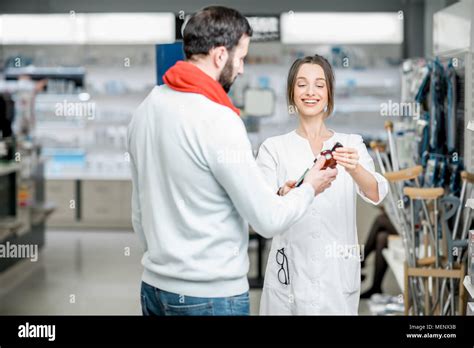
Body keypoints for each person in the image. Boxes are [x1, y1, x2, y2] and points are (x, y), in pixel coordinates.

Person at [127, 7, 337, 316]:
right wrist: (310, 189)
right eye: (240, 58)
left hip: (155, 289)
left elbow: (138, 212)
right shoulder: (219, 119)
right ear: (220, 55)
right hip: (211, 296)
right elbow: (266, 221)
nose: (241, 69)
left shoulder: (146, 108)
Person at [256, 55, 389, 315]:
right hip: (289, 277)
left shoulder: (350, 143)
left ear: (329, 92)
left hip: (336, 278)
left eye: (319, 84)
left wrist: (354, 168)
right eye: (302, 84)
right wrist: (285, 194)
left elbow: (376, 193)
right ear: (291, 92)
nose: (310, 92)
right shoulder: (273, 148)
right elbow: (263, 212)